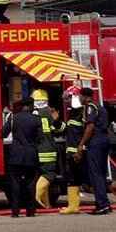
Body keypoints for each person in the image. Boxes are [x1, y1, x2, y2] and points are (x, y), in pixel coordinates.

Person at [1, 98, 42, 218]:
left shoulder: (13, 118)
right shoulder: (36, 119)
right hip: (31, 155)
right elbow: (40, 138)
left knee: (15, 184)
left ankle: (15, 211)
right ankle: (30, 211)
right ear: (31, 106)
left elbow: (3, 133)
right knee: (30, 183)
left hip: (16, 155)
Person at [76, 87, 112, 215]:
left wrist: (81, 144)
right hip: (104, 141)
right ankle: (105, 204)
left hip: (96, 142)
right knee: (101, 174)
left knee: (95, 175)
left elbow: (90, 126)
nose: (78, 99)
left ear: (85, 97)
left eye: (79, 96)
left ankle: (101, 205)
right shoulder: (99, 106)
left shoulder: (90, 107)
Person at [31, 89, 64, 209]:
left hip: (37, 151)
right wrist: (57, 119)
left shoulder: (33, 114)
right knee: (49, 174)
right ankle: (37, 196)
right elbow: (60, 129)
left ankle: (47, 204)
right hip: (48, 149)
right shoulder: (49, 113)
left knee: (41, 174)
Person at [59, 84, 84, 215]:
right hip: (72, 151)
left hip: (77, 152)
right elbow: (67, 129)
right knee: (72, 178)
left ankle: (74, 206)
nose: (66, 100)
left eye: (69, 98)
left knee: (86, 178)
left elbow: (83, 133)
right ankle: (73, 206)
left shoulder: (81, 113)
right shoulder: (73, 113)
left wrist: (79, 150)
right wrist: (57, 121)